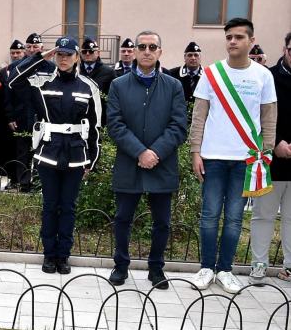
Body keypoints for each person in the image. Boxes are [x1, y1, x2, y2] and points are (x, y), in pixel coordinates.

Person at [190, 18, 277, 293]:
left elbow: (269, 117)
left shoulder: (263, 75)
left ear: (251, 41)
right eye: (229, 36)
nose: (232, 41)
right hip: (213, 157)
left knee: (235, 218)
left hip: (246, 159)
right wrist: (195, 151)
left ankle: (225, 270)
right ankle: (206, 268)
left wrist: (267, 151)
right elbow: (199, 116)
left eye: (239, 37)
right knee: (209, 215)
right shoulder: (212, 73)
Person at [8, 36, 101, 274]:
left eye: (68, 54)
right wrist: (40, 58)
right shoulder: (41, 81)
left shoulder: (88, 87)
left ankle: (63, 255)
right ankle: (49, 254)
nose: (63, 59)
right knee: (50, 206)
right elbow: (14, 81)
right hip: (48, 153)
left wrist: (92, 160)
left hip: (76, 156)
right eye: (59, 54)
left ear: (77, 57)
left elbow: (95, 127)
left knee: (68, 207)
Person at [106, 31, 189, 288]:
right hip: (129, 163)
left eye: (152, 46)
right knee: (122, 219)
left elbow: (178, 126)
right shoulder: (118, 85)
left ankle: (156, 269)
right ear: (135, 50)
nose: (147, 51)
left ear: (160, 52)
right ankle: (120, 266)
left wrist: (155, 153)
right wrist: (140, 151)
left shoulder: (173, 86)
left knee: (162, 222)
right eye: (142, 46)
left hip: (161, 164)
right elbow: (115, 124)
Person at [249, 32, 291, 283]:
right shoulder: (269, 78)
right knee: (263, 215)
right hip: (269, 160)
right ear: (285, 49)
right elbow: (257, 116)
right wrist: (274, 144)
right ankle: (259, 265)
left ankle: (289, 266)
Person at [6, 33, 55, 192]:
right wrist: (10, 116)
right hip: (22, 114)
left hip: (42, 115)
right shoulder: (17, 67)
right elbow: (9, 94)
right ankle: (24, 183)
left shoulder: (51, 68)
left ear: (42, 48)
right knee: (23, 150)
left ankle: (40, 183)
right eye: (29, 47)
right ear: (25, 49)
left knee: (42, 149)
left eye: (36, 47)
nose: (32, 49)